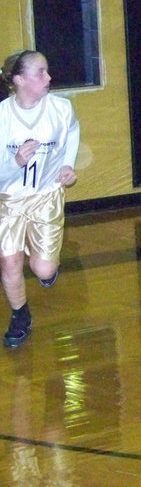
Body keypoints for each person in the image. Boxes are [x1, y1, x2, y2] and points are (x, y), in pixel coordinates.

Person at [0, 50, 80, 347]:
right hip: (9, 200)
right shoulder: (3, 118)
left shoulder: (61, 109)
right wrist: (14, 163)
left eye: (47, 71)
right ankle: (20, 315)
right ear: (20, 80)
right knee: (9, 262)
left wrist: (67, 164)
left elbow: (72, 132)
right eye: (41, 72)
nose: (49, 78)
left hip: (46, 196)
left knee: (42, 268)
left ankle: (47, 269)